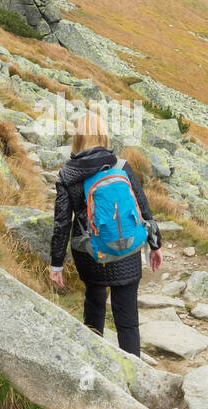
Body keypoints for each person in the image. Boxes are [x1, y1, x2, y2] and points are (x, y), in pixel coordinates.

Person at [48, 111, 161, 356]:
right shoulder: (121, 166)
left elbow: (62, 224)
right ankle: (134, 377)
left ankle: (94, 364)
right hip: (128, 249)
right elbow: (143, 207)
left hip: (92, 255)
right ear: (103, 134)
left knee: (94, 304)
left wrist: (56, 264)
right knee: (127, 317)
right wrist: (155, 245)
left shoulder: (68, 175)